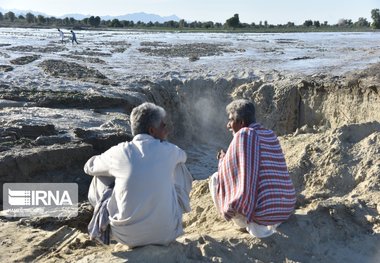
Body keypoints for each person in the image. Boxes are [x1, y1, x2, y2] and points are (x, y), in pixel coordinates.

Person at [84, 102, 193, 248]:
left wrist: (115, 173)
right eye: (163, 125)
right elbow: (184, 156)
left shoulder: (120, 151)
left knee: (99, 176)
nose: (166, 130)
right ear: (152, 130)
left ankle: (102, 223)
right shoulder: (170, 150)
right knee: (179, 166)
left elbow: (89, 167)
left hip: (127, 236)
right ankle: (177, 213)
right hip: (166, 233)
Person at [209, 99, 296, 238]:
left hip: (263, 213)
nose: (228, 125)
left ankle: (244, 223)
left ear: (241, 122)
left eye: (231, 120)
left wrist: (222, 160)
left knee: (215, 178)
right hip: (285, 209)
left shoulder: (243, 134)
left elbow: (235, 172)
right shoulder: (270, 134)